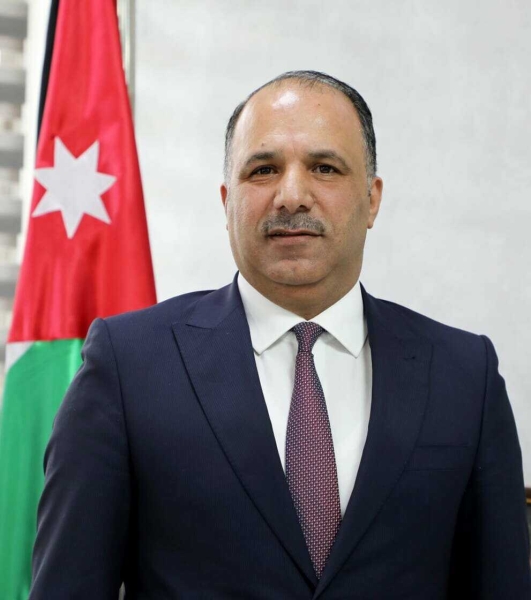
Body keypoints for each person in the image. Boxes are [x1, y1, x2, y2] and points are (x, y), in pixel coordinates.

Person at [30, 70, 530, 599]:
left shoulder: (464, 375)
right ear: (226, 202)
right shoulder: (128, 366)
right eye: (264, 169)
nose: (291, 196)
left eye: (325, 168)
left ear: (372, 199)